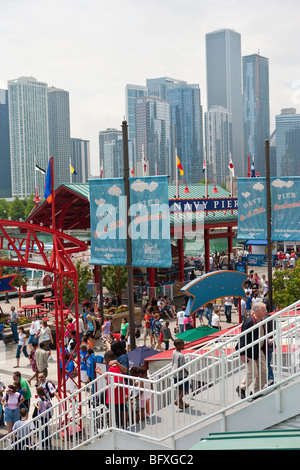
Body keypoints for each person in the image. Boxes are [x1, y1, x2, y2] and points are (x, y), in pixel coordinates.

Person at [236, 302, 268, 399]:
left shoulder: (260, 320)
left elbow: (261, 334)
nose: (266, 312)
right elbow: (243, 337)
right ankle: (242, 388)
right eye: (264, 311)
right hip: (249, 350)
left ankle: (258, 391)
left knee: (263, 371)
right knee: (253, 372)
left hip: (258, 349)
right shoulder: (249, 322)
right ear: (257, 311)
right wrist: (242, 353)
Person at [96, 350, 125, 428]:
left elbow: (119, 380)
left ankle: (111, 429)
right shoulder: (115, 366)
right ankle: (120, 427)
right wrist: (100, 372)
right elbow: (109, 377)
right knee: (118, 412)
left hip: (115, 396)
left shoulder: (112, 368)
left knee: (114, 413)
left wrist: (124, 394)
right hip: (117, 395)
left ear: (107, 358)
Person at [172, 339, 189, 410]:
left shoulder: (174, 352)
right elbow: (182, 366)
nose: (184, 345)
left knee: (179, 389)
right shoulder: (181, 355)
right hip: (181, 375)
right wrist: (187, 371)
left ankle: (181, 403)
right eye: (183, 344)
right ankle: (178, 399)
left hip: (175, 373)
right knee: (185, 389)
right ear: (178, 346)